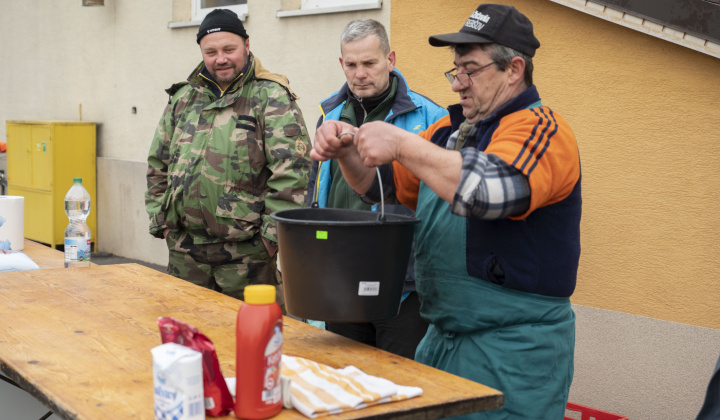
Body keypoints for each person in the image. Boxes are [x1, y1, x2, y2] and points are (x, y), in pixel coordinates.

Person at [310, 4, 581, 419]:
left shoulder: (541, 128)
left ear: (514, 69)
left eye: (470, 70)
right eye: (455, 71)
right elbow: (383, 189)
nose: (458, 85)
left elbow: (493, 191)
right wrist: (347, 153)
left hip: (514, 351)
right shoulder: (447, 133)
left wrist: (401, 143)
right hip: (441, 340)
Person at [145, 9, 311, 304]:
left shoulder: (270, 96)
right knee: (189, 340)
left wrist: (270, 239)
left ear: (247, 46)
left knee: (252, 339)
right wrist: (163, 222)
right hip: (185, 252)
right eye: (211, 52)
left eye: (228, 49)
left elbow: (293, 170)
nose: (220, 58)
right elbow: (159, 162)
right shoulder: (184, 98)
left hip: (247, 256)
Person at [306, 19, 447, 359]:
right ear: (342, 64)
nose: (360, 73)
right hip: (340, 280)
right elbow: (314, 192)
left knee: (401, 390)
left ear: (390, 60)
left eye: (369, 63)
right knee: (343, 381)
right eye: (351, 65)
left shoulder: (432, 117)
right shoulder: (329, 116)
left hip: (404, 286)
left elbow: (442, 207)